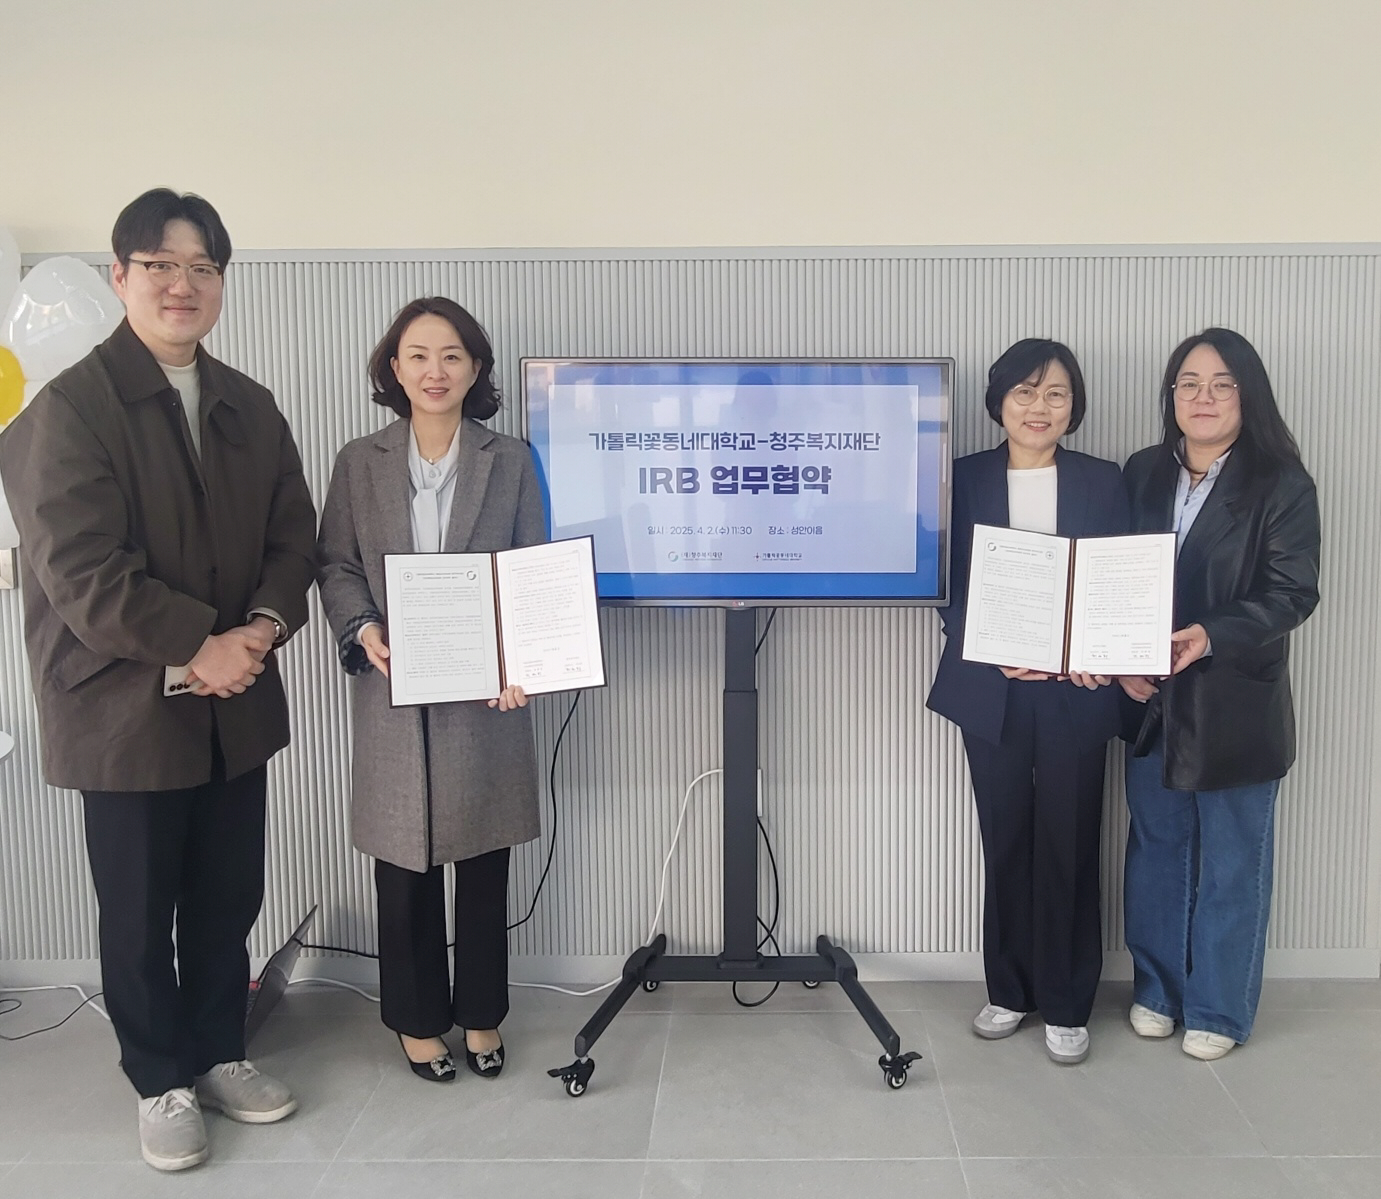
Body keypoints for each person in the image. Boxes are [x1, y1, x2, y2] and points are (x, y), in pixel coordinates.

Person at [0, 189, 317, 1170]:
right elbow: (83, 573)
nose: (184, 284)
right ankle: (158, 1078)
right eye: (162, 265)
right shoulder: (67, 410)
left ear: (221, 282)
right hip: (122, 709)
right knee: (139, 911)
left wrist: (259, 627)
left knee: (228, 895)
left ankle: (219, 1049)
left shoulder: (248, 405)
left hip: (236, 705)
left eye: (203, 267)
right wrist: (198, 644)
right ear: (120, 276)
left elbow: (292, 537)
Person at [316, 297, 544, 1085]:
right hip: (394, 688)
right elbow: (335, 563)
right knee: (403, 868)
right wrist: (362, 628)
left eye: (451, 355)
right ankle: (417, 1022)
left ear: (475, 368)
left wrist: (521, 662)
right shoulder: (360, 460)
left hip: (486, 698)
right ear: (394, 368)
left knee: (482, 863)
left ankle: (481, 1013)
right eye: (417, 355)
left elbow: (530, 568)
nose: (434, 370)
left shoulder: (509, 459)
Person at [1119, 328, 1320, 1061]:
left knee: (1234, 860)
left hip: (1235, 699)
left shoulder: (1281, 483)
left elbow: (1292, 593)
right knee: (1157, 850)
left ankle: (1218, 1008)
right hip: (1151, 697)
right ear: (1170, 395)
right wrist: (1118, 659)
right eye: (1188, 383)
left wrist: (1209, 634)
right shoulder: (1142, 472)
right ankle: (1157, 990)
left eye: (1221, 384)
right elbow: (1111, 574)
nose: (1202, 397)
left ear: (1247, 395)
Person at [927, 339, 1129, 1064]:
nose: (1039, 407)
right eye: (1024, 392)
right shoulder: (961, 478)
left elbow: (1117, 579)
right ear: (998, 402)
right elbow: (942, 584)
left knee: (1071, 844)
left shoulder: (1103, 480)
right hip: (993, 690)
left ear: (1074, 406)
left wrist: (1101, 652)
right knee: (1005, 836)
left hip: (1078, 693)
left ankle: (1068, 1002)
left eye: (1055, 394)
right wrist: (986, 644)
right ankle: (1009, 989)